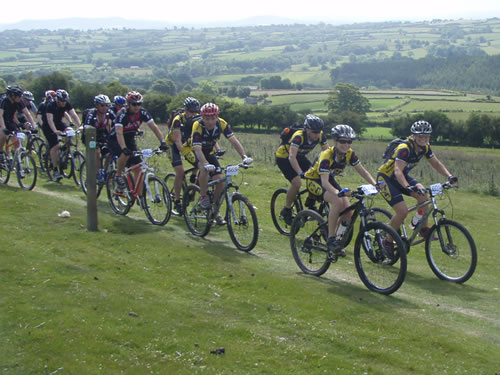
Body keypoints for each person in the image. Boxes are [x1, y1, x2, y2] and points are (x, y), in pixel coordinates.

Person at [377, 120, 458, 244]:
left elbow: (436, 163)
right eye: (420, 136)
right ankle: (387, 241)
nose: (423, 139)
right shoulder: (404, 148)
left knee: (423, 195)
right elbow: (398, 170)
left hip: (402, 176)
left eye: (426, 136)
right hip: (386, 178)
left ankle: (421, 228)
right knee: (402, 211)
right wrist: (407, 186)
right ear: (413, 136)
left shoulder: (425, 148)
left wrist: (449, 176)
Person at [305, 124, 377, 256]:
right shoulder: (326, 156)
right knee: (338, 202)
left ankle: (337, 242)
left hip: (328, 179)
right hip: (314, 180)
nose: (346, 145)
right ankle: (331, 239)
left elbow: (363, 171)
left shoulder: (349, 154)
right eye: (343, 141)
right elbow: (325, 183)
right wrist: (338, 193)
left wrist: (375, 184)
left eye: (349, 141)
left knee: (348, 213)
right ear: (335, 141)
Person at [190, 102, 252, 224]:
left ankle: (214, 208)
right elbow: (197, 149)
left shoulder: (221, 123)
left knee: (220, 180)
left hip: (210, 151)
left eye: (213, 118)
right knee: (204, 169)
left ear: (217, 117)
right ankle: (203, 197)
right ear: (202, 117)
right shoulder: (197, 125)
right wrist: (205, 163)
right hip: (196, 151)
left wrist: (244, 156)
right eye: (207, 119)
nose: (210, 122)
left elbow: (234, 141)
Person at [108, 91, 168, 191]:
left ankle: (138, 197)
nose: (137, 106)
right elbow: (119, 133)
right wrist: (123, 148)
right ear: (128, 104)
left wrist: (162, 142)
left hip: (130, 139)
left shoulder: (142, 113)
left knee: (139, 169)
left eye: (139, 104)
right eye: (134, 104)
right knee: (125, 154)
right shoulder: (122, 114)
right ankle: (118, 176)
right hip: (116, 139)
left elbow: (154, 127)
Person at [275, 114, 329, 225]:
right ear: (307, 129)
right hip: (284, 157)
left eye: (319, 132)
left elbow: (327, 154)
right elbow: (291, 157)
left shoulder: (320, 135)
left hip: (300, 156)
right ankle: (287, 209)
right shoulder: (299, 136)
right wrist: (300, 172)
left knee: (316, 175)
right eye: (314, 132)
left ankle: (310, 201)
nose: (317, 134)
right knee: (297, 183)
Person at [165, 96, 201, 214]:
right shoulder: (178, 120)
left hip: (186, 143)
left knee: (201, 162)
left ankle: (193, 184)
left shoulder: (197, 120)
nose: (193, 114)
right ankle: (176, 200)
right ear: (185, 110)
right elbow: (177, 141)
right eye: (191, 111)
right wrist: (185, 153)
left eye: (196, 112)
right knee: (180, 172)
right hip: (173, 145)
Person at [41, 89, 82, 181]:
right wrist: (55, 131)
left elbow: (74, 114)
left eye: (65, 101)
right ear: (57, 100)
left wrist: (80, 125)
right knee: (55, 146)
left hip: (59, 123)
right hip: (48, 126)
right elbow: (50, 120)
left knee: (70, 131)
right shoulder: (50, 105)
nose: (64, 103)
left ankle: (64, 150)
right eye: (62, 101)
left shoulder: (66, 103)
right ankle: (55, 170)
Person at [0, 85, 36, 165]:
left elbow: (28, 114)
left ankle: (16, 161)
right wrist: (3, 128)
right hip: (1, 119)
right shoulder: (4, 101)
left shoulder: (19, 101)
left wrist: (33, 127)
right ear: (12, 96)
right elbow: (0, 115)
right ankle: (1, 153)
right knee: (3, 135)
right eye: (19, 96)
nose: (20, 98)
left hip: (10, 120)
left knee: (17, 139)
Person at [83, 94, 113, 183]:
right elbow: (87, 128)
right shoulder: (91, 114)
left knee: (110, 152)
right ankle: (96, 175)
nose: (105, 107)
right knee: (96, 152)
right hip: (89, 135)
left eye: (106, 105)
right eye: (102, 105)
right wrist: (93, 142)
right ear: (97, 106)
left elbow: (115, 125)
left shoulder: (109, 114)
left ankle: (105, 171)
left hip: (101, 135)